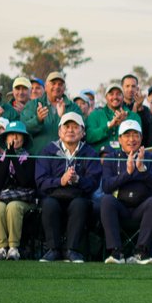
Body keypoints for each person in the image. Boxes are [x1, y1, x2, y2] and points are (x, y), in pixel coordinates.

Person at [34, 112, 100, 263]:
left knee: (80, 205)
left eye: (75, 127)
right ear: (59, 131)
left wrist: (78, 180)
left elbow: (93, 182)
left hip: (78, 196)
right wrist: (60, 181)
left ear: (83, 132)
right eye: (67, 126)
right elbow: (41, 181)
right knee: (49, 204)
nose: (70, 130)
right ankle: (53, 249)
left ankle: (72, 250)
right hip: (53, 195)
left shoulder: (89, 153)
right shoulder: (47, 151)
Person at [99, 120, 152, 265]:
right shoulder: (111, 158)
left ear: (141, 138)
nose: (132, 139)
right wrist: (127, 173)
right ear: (119, 139)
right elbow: (106, 186)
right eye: (127, 135)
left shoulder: (151, 157)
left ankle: (141, 252)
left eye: (135, 135)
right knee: (106, 200)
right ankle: (116, 252)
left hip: (141, 207)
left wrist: (142, 169)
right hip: (120, 206)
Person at [0, 120, 38, 261]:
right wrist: (8, 156)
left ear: (24, 139)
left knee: (13, 206)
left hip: (25, 198)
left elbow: (25, 181)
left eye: (18, 135)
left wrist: (13, 156)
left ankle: (14, 247)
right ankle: (1, 247)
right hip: (3, 196)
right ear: (6, 139)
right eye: (11, 135)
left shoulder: (30, 158)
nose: (14, 138)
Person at [23, 71, 84, 153]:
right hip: (37, 157)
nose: (57, 86)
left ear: (64, 88)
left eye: (60, 84)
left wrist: (62, 117)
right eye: (53, 83)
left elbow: (81, 132)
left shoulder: (73, 107)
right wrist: (38, 120)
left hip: (64, 158)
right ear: (46, 87)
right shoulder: (33, 105)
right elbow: (24, 128)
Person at [86, 83, 139, 153]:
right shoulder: (95, 115)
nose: (115, 97)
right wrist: (109, 126)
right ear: (106, 97)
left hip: (125, 160)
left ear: (123, 97)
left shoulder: (133, 116)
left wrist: (125, 123)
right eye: (111, 94)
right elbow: (89, 137)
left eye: (118, 94)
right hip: (100, 159)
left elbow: (138, 139)